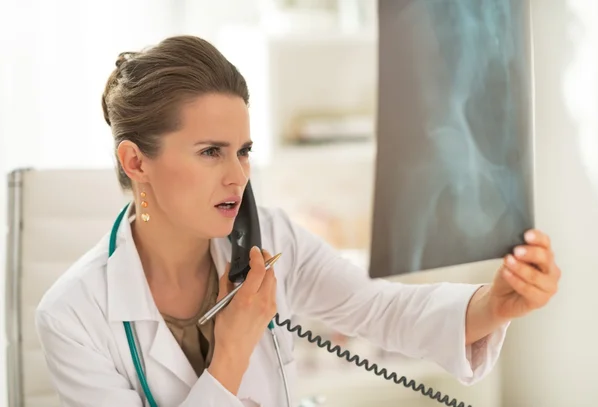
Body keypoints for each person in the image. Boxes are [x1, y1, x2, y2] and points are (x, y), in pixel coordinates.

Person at [35, 35, 561, 407]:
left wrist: (494, 305)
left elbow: (381, 311)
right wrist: (233, 351)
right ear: (136, 162)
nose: (237, 175)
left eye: (243, 150)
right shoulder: (72, 315)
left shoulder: (271, 239)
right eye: (210, 151)